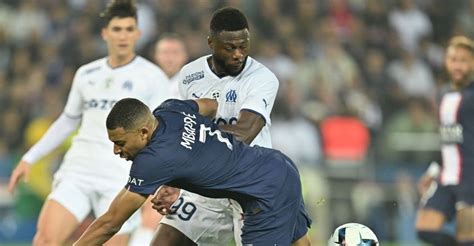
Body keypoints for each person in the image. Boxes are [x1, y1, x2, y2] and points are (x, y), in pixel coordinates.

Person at [7, 0, 170, 245]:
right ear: (105, 33)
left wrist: (158, 180)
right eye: (117, 29)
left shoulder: (153, 77)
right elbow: (68, 120)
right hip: (79, 170)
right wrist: (30, 157)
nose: (123, 36)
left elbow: (161, 133)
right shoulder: (86, 73)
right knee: (44, 240)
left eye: (128, 29)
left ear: (138, 33)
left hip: (121, 178)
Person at [73, 97, 312, 246]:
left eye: (121, 143)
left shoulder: (151, 161)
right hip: (277, 165)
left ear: (144, 133)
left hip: (265, 193)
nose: (116, 150)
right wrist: (200, 147)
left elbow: (111, 222)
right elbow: (210, 106)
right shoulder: (170, 109)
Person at [152, 7, 289, 246]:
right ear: (211, 43)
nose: (239, 54)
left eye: (244, 46)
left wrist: (188, 137)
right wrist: (174, 181)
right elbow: (187, 133)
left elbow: (244, 133)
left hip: (251, 187)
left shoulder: (262, 78)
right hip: (207, 189)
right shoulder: (189, 76)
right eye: (230, 47)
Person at [129, 32, 188, 246]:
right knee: (149, 221)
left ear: (184, 57)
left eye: (175, 52)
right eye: (165, 52)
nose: (170, 57)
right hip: (148, 161)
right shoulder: (141, 85)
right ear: (156, 56)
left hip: (182, 164)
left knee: (162, 222)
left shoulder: (192, 89)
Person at [415, 36, 474, 246]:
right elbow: (447, 137)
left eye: (463, 60)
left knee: (467, 236)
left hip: (470, 176)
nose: (457, 65)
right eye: (453, 59)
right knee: (424, 228)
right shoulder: (443, 94)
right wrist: (433, 169)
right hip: (447, 175)